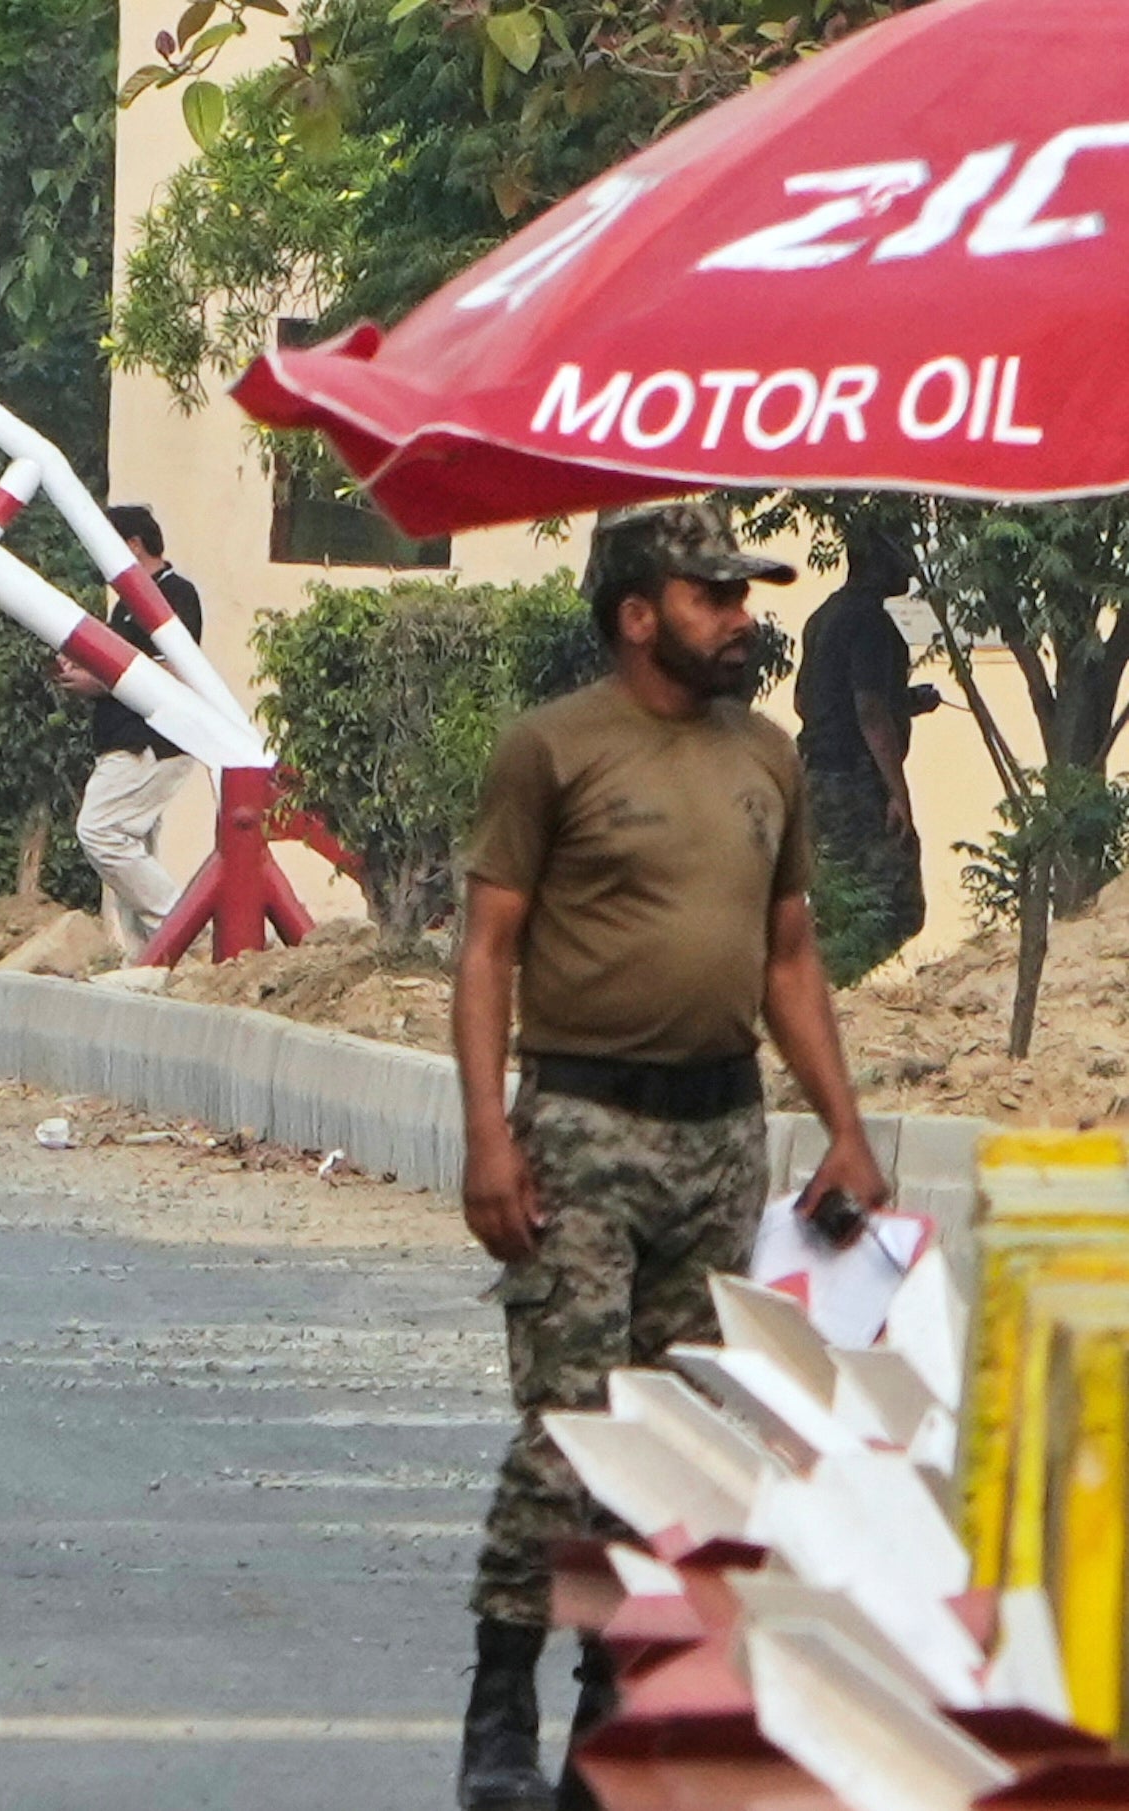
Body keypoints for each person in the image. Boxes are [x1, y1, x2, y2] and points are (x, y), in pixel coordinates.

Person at [449, 502, 889, 1811]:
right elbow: (486, 951)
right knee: (577, 1429)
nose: (743, 615)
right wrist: (487, 1132)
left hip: (722, 1129)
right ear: (639, 612)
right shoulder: (553, 752)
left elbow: (790, 953)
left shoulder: (768, 757)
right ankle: (499, 1702)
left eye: (744, 594)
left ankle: (612, 1710)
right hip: (581, 1124)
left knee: (683, 1440)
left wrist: (846, 1129)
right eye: (715, 595)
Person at [58, 503, 206, 960]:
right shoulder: (126, 606)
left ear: (133, 545)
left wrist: (98, 680)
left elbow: (173, 669)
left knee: (100, 831)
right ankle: (149, 958)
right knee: (130, 851)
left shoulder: (175, 594)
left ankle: (184, 930)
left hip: (152, 743)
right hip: (122, 739)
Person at [795, 530, 928, 974]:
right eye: (902, 554)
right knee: (895, 904)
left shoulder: (823, 617)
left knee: (839, 897)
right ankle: (837, 986)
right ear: (877, 561)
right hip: (855, 782)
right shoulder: (872, 623)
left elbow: (808, 701)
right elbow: (870, 712)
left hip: (815, 776)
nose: (911, 566)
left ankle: (831, 989)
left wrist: (905, 702)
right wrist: (899, 795)